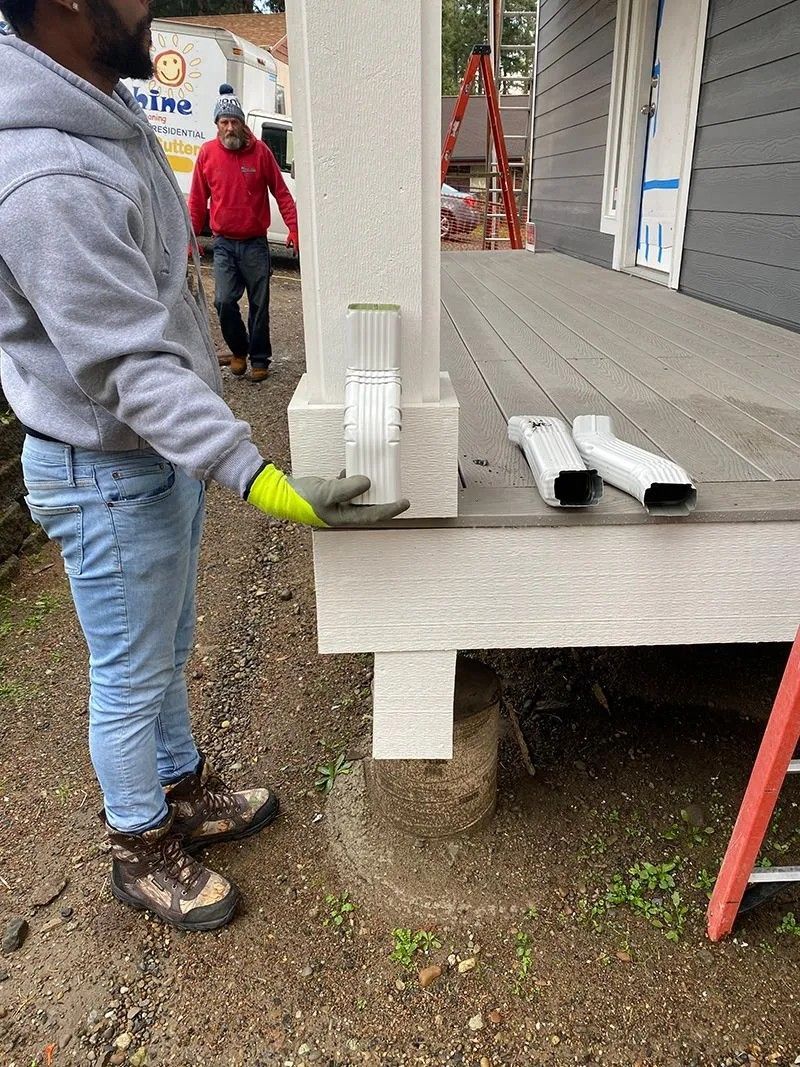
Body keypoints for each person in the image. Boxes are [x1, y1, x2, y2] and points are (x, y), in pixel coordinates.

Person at [0, 0, 408, 933]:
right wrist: (260, 476)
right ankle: (138, 847)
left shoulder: (97, 105)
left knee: (167, 650)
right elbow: (125, 364)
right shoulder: (45, 174)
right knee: (128, 673)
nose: (152, 6)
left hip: (149, 461)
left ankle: (181, 788)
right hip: (104, 470)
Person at [189, 84, 297, 384]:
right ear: (217, 125)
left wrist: (294, 229)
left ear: (242, 123)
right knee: (223, 301)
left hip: (254, 244)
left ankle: (260, 359)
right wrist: (190, 237)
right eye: (224, 122)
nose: (229, 127)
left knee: (260, 305)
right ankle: (239, 350)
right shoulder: (207, 154)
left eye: (234, 121)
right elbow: (197, 200)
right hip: (224, 244)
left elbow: (282, 193)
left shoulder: (260, 152)